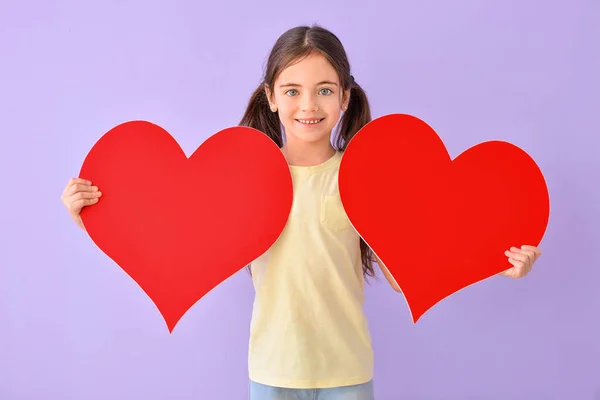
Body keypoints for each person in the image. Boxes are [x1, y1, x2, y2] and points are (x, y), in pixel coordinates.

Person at [60, 24, 542, 400]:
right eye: (292, 90)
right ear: (270, 98)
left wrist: (499, 263)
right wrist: (93, 218)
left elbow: (408, 273)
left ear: (345, 97)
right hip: (271, 372)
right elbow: (175, 243)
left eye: (325, 90)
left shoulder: (367, 179)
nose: (308, 104)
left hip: (348, 371)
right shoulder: (244, 180)